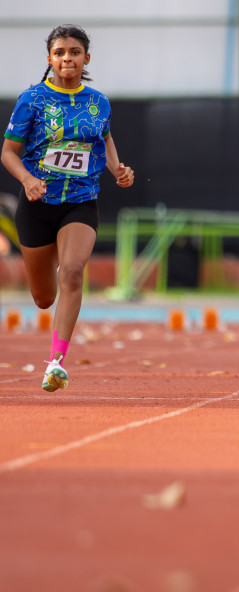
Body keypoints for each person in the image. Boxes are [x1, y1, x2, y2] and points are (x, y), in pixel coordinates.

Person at [2, 25, 134, 392]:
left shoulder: (99, 102)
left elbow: (105, 139)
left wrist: (117, 169)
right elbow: (8, 154)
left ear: (86, 58)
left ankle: (55, 363)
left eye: (74, 52)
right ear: (50, 59)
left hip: (80, 202)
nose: (67, 59)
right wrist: (28, 181)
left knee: (72, 273)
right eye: (60, 52)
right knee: (44, 298)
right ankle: (51, 318)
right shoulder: (32, 100)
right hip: (37, 204)